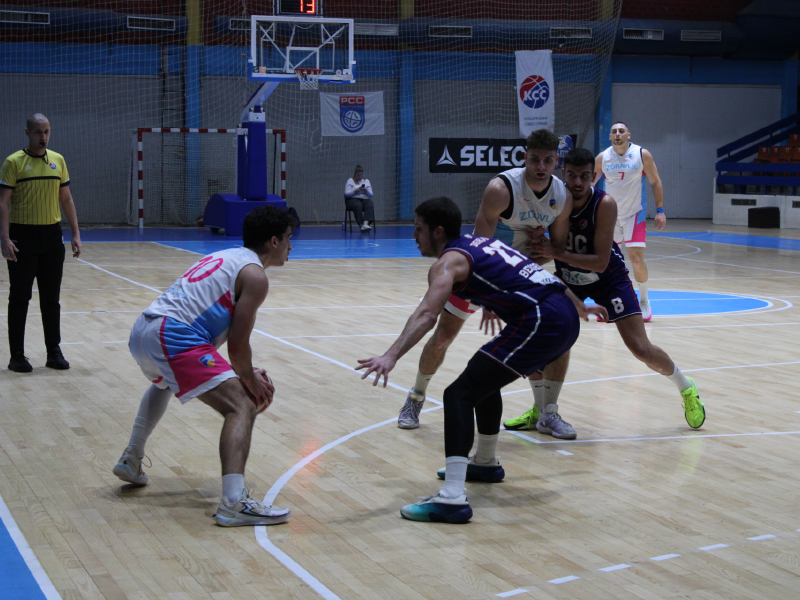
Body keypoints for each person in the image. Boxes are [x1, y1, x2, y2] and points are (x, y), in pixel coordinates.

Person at [357, 197, 607, 524]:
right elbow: (546, 278)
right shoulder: (485, 244)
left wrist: (390, 355)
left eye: (418, 229)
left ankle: (452, 498)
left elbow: (427, 314)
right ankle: (485, 463)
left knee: (457, 394)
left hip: (542, 319)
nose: (414, 236)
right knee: (482, 379)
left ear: (438, 231)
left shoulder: (448, 263)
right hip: (561, 314)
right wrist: (580, 308)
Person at [113, 206, 295, 527]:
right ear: (273, 241)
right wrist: (250, 381)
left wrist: (244, 373)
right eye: (289, 238)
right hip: (173, 334)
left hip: (144, 329)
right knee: (241, 405)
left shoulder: (226, 256)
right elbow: (237, 347)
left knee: (163, 384)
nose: (291, 246)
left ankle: (132, 457)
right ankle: (234, 503)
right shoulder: (255, 276)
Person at [506, 148, 705, 431]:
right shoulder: (552, 199)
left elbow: (600, 262)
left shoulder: (604, 204)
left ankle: (686, 387)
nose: (577, 182)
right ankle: (543, 411)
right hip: (569, 279)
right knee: (545, 339)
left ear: (594, 176)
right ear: (563, 174)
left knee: (641, 349)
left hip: (609, 280)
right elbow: (547, 248)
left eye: (584, 176)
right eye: (572, 175)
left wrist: (554, 251)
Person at [398, 128, 577, 439]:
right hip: (479, 275)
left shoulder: (562, 196)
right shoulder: (501, 188)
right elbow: (481, 248)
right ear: (525, 157)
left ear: (556, 161)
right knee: (442, 337)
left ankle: (547, 413)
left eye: (548, 160)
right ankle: (415, 397)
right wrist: (490, 299)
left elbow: (557, 249)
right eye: (535, 159)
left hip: (519, 280)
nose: (541, 166)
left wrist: (545, 248)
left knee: (546, 340)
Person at [0, 113, 81, 372]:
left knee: (51, 298)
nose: (43, 136)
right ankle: (17, 356)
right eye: (37, 132)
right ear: (27, 133)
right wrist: (4, 238)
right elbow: (3, 203)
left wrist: (76, 233)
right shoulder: (13, 162)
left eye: (46, 131)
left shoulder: (58, 160)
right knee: (19, 297)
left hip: (52, 237)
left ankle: (53, 353)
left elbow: (66, 199)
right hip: (22, 237)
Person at [594, 121, 665, 321]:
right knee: (607, 261)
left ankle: (643, 300)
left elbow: (655, 182)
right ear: (610, 136)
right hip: (610, 216)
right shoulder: (602, 158)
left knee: (636, 258)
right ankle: (608, 302)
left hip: (635, 213)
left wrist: (660, 210)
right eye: (614, 131)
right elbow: (588, 183)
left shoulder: (642, 154)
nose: (617, 134)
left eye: (621, 131)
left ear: (628, 135)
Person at [344, 165, 375, 232]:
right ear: (355, 174)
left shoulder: (366, 181)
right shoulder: (350, 181)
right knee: (357, 205)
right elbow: (346, 194)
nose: (360, 177)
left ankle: (365, 224)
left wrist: (366, 191)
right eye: (358, 175)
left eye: (361, 175)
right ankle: (361, 225)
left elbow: (371, 195)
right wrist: (355, 191)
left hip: (364, 199)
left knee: (370, 204)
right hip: (352, 199)